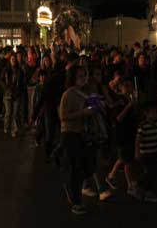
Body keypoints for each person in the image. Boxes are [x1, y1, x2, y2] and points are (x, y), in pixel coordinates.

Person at [60, 64, 98, 215]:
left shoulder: (86, 92)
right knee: (76, 168)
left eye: (85, 75)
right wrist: (83, 112)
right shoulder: (68, 94)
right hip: (70, 134)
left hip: (83, 133)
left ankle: (71, 189)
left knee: (87, 166)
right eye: (80, 76)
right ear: (73, 78)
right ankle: (76, 202)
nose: (84, 79)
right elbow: (63, 116)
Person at [133, 101, 157, 202]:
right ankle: (147, 192)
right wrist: (137, 152)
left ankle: (140, 185)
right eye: (154, 112)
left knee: (154, 171)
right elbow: (138, 140)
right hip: (145, 153)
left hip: (155, 151)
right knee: (150, 172)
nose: (156, 114)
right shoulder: (143, 126)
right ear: (146, 113)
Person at [2, 55, 25, 138]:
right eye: (12, 59)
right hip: (8, 94)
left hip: (16, 94)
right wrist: (5, 88)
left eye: (14, 59)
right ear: (9, 61)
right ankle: (6, 126)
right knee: (8, 112)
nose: (13, 61)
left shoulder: (19, 71)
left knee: (15, 113)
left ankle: (13, 130)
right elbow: (1, 80)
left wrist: (19, 91)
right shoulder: (6, 70)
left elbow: (22, 82)